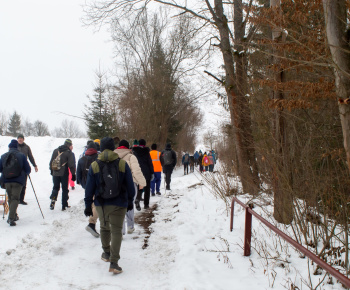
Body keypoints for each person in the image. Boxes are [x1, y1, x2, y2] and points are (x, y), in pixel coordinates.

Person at [84, 137, 135, 274]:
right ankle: (114, 262)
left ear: (101, 149)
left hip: (101, 203)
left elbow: (89, 188)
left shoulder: (95, 165)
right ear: (113, 148)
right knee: (116, 231)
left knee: (104, 227)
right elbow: (130, 186)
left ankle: (106, 253)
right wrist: (130, 201)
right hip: (119, 203)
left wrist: (88, 205)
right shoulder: (122, 164)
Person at [114, 139, 146, 234]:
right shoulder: (131, 156)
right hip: (130, 184)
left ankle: (121, 230)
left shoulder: (113, 156)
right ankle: (130, 226)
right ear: (128, 147)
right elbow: (136, 171)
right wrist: (142, 183)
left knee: (119, 206)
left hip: (116, 184)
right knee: (129, 205)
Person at [0, 139, 31, 226]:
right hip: (18, 181)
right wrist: (26, 173)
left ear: (9, 147)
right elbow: (28, 169)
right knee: (15, 199)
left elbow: (0, 168)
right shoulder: (21, 155)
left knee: (10, 199)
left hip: (7, 181)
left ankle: (14, 215)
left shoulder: (3, 156)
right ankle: (11, 218)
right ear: (16, 147)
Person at [77, 142, 99, 237]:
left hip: (86, 185)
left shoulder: (82, 159)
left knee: (90, 201)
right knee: (96, 203)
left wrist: (81, 183)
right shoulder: (98, 158)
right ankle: (92, 223)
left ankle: (92, 223)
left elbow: (78, 174)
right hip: (97, 184)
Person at [49, 139, 76, 211]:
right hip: (64, 173)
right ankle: (64, 205)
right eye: (71, 145)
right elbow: (71, 165)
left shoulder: (55, 150)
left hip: (55, 172)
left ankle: (53, 200)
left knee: (55, 187)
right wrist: (73, 174)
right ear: (69, 145)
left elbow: (51, 162)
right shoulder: (69, 153)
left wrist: (51, 171)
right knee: (64, 189)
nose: (72, 147)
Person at [17, 133, 38, 205]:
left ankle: (21, 199)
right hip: (15, 168)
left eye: (21, 138)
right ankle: (15, 199)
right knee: (16, 184)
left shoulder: (27, 147)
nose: (20, 139)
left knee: (23, 184)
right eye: (19, 138)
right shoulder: (14, 146)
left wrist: (34, 165)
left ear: (23, 139)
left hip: (23, 168)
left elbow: (30, 157)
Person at [133, 139, 154, 210]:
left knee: (139, 187)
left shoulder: (135, 152)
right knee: (147, 189)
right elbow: (150, 163)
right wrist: (152, 172)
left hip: (138, 172)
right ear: (145, 144)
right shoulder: (146, 152)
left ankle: (137, 199)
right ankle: (146, 204)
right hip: (146, 172)